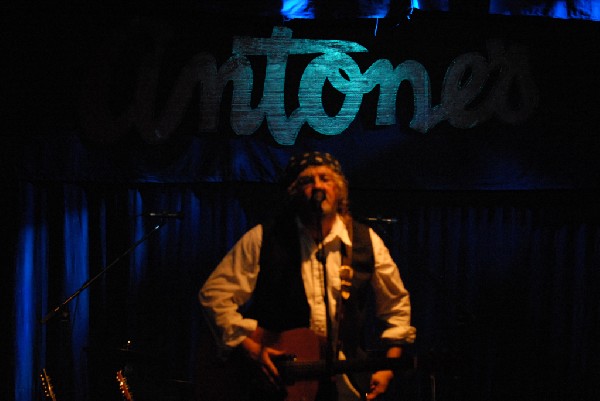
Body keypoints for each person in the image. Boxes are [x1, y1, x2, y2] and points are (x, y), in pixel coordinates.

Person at [199, 151, 416, 400]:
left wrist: (389, 365)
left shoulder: (366, 241)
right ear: (294, 191)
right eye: (307, 181)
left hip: (344, 383)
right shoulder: (265, 237)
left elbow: (396, 305)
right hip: (280, 384)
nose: (317, 186)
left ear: (339, 190)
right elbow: (214, 295)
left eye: (325, 178)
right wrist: (249, 348)